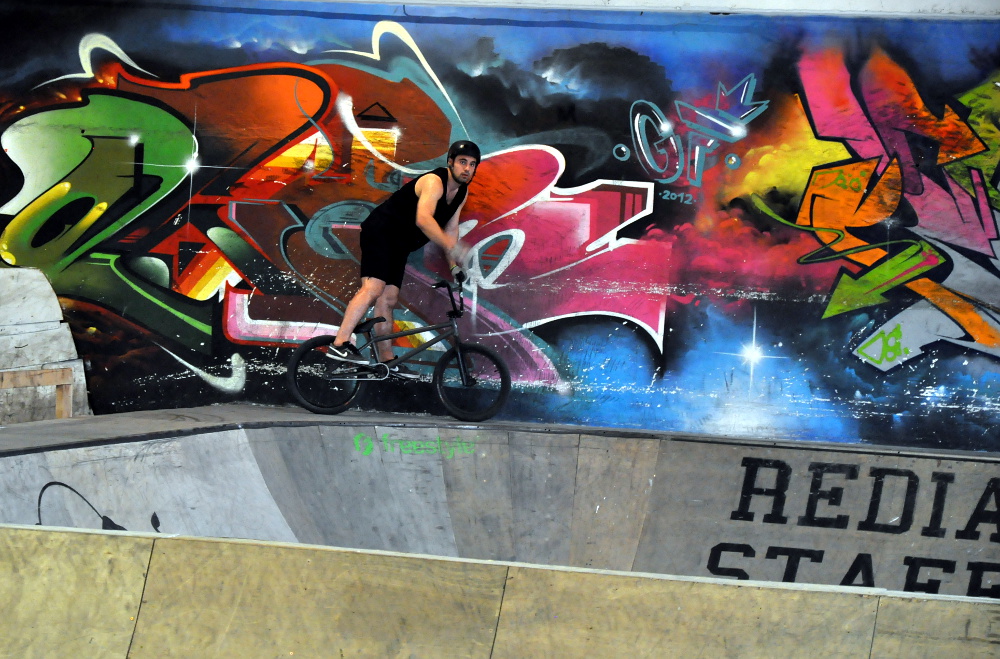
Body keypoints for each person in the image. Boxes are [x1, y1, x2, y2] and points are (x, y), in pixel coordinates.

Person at [329, 140, 479, 373]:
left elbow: (450, 230)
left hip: (400, 244)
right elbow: (423, 219)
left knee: (388, 299)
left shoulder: (461, 192)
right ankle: (339, 344)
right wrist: (454, 246)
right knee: (373, 288)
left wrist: (453, 266)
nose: (467, 168)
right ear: (450, 162)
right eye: (462, 162)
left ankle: (387, 362)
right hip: (381, 232)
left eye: (472, 164)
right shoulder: (434, 182)